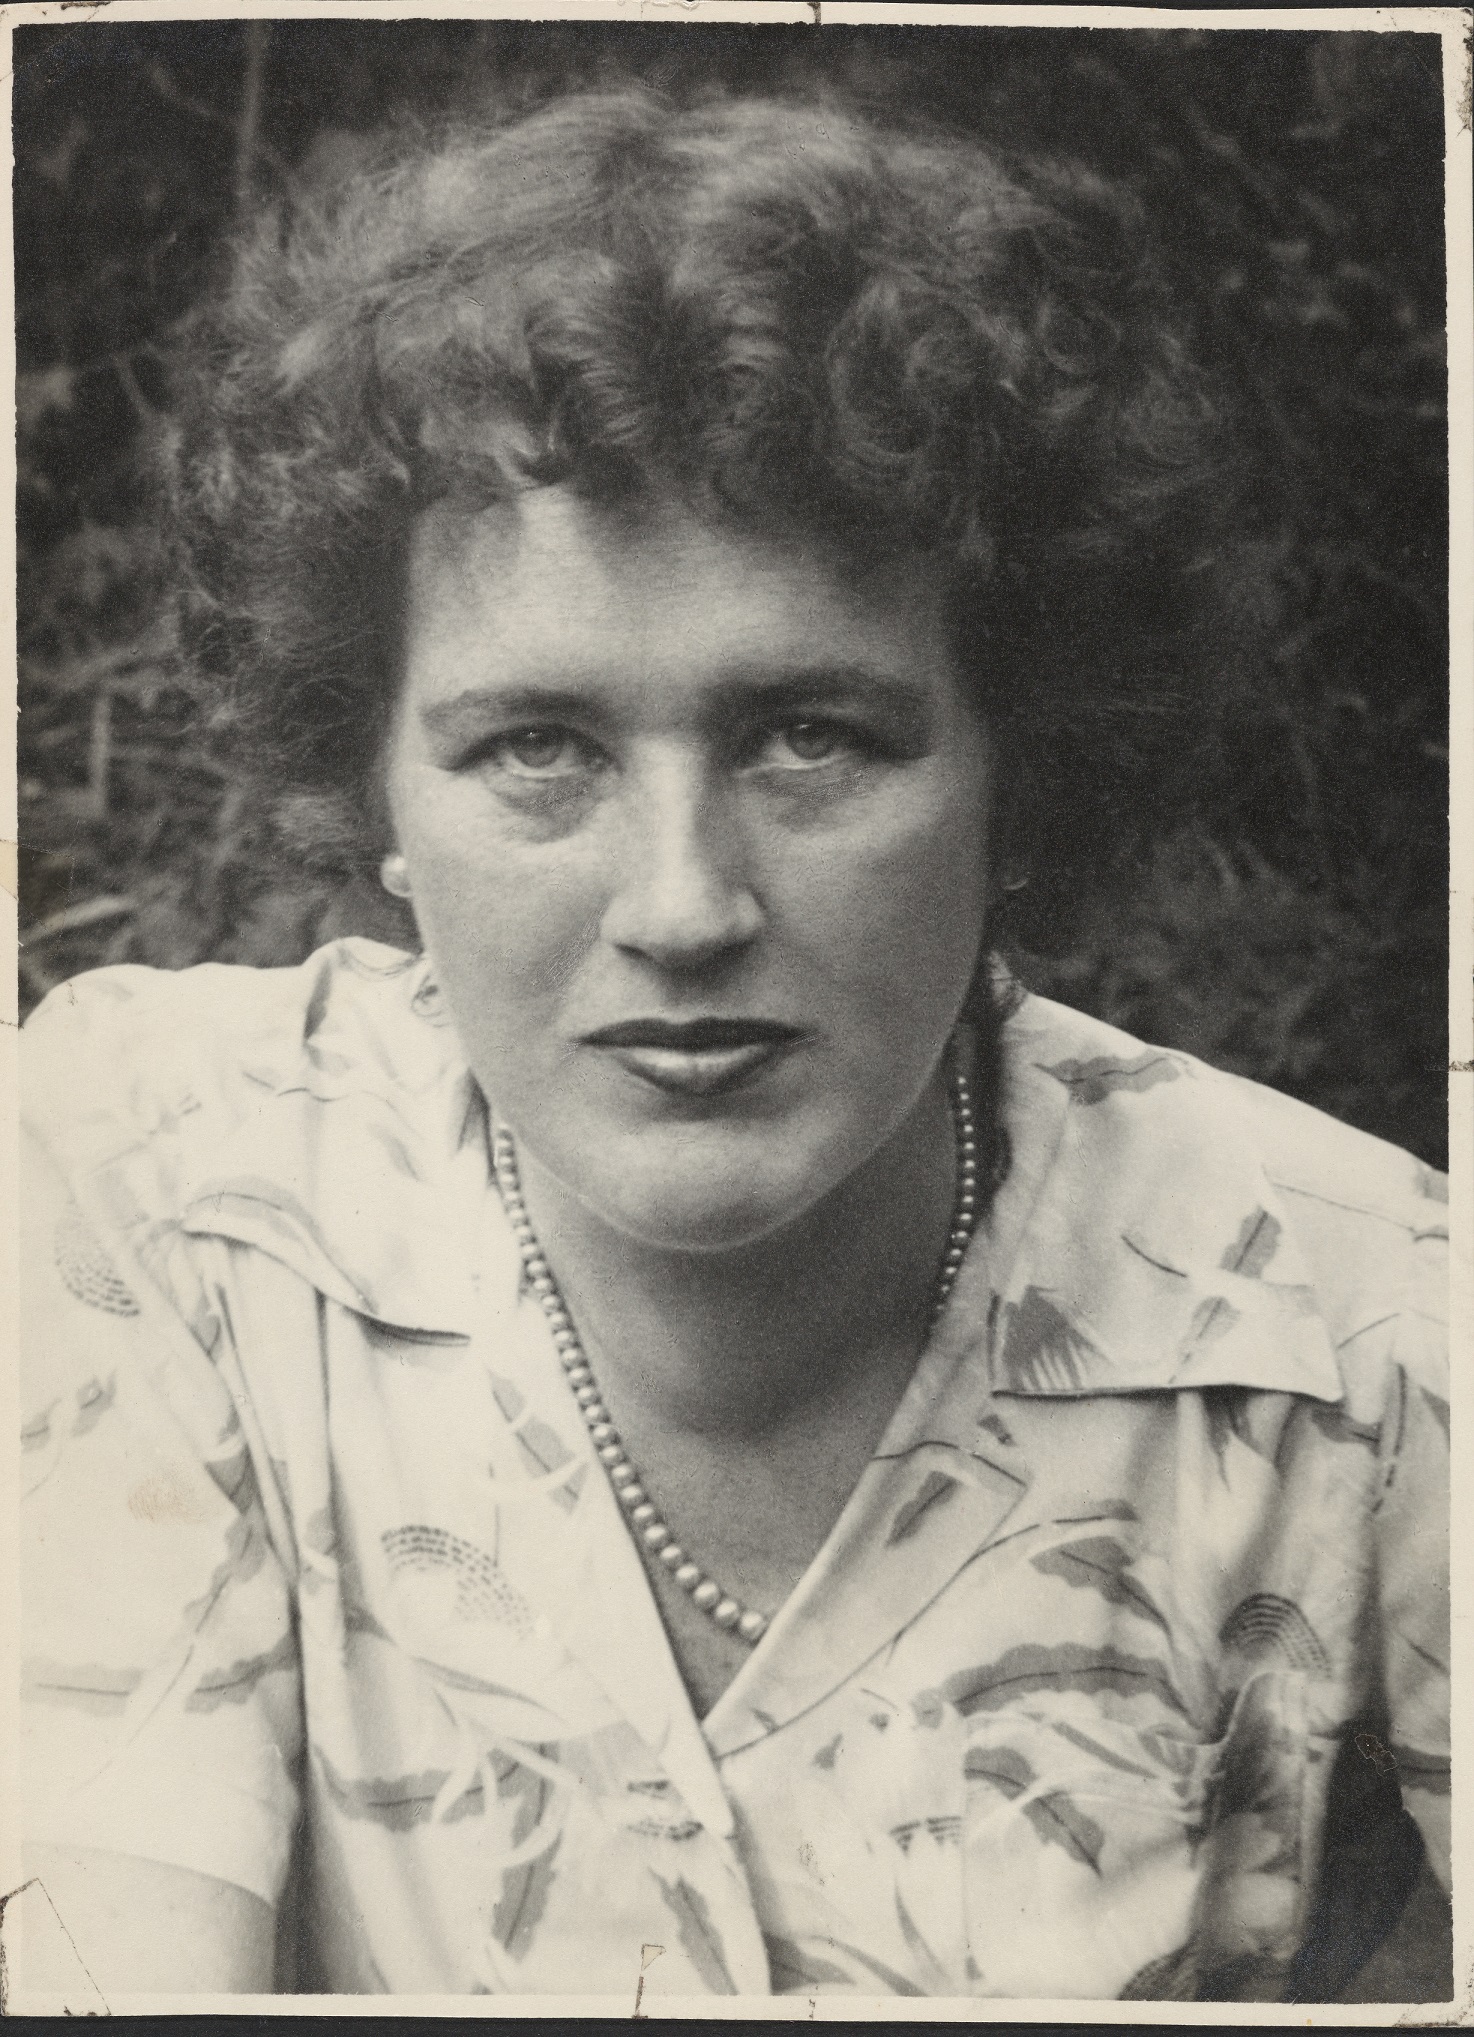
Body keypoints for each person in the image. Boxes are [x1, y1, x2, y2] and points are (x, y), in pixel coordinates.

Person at [19, 85, 1450, 2002]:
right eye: (538, 747)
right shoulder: (156, 1196)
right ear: (373, 791)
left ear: (1020, 772)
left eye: (812, 737)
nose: (682, 905)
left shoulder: (1369, 1336)